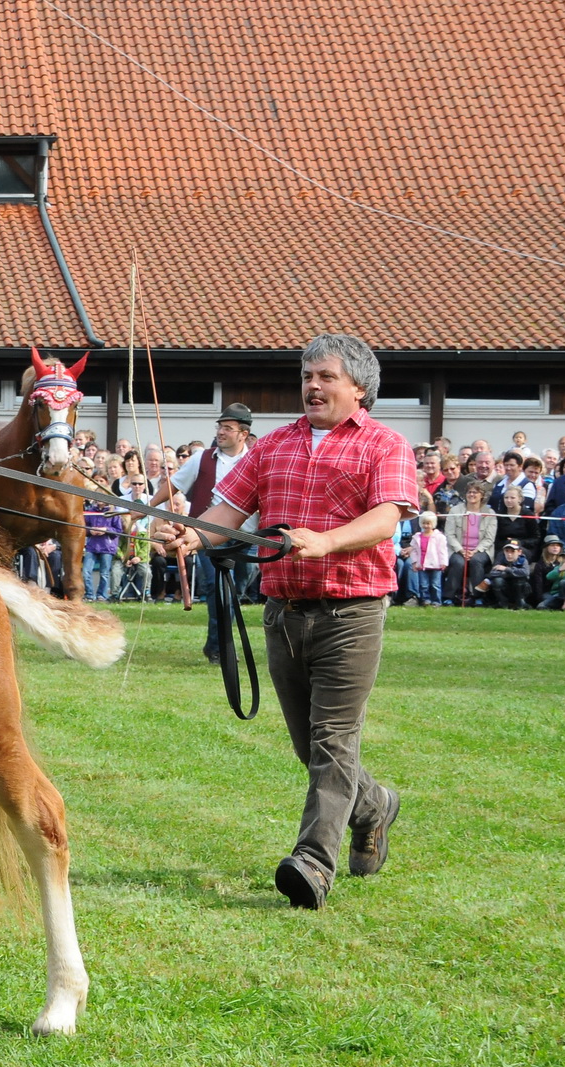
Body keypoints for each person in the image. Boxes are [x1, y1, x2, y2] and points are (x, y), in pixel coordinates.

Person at [163, 334, 410, 910]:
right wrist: (193, 535)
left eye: (325, 376)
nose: (312, 386)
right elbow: (227, 512)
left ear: (358, 386)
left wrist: (325, 542)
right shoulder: (273, 446)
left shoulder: (384, 445)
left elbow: (387, 518)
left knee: (332, 740)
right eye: (307, 375)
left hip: (351, 614)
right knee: (312, 746)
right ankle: (373, 806)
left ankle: (313, 864)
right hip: (283, 614)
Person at [148, 403, 256, 660]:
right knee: (218, 590)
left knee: (235, 591)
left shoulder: (256, 459)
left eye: (227, 428)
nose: (221, 432)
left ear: (243, 433)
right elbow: (175, 484)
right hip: (206, 535)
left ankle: (214, 644)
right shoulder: (201, 458)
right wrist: (147, 507)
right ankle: (221, 649)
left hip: (247, 537)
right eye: (219, 427)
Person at [443, 483, 496, 606]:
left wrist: (475, 551)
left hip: (481, 550)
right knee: (458, 562)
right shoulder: (455, 511)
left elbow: (489, 538)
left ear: (482, 495)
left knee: (476, 561)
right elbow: (449, 534)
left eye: (475, 492)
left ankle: (478, 597)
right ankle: (449, 597)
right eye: (469, 492)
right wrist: (461, 550)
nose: (472, 495)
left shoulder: (489, 512)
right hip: (458, 549)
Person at [80, 500, 119, 601]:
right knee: (86, 571)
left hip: (107, 546)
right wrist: (90, 530)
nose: (98, 500)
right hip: (92, 546)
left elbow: (118, 531)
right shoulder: (90, 511)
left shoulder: (113, 512)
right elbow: (83, 527)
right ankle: (89, 594)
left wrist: (106, 530)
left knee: (104, 573)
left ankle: (101, 595)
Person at [411, 512, 448, 606]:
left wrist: (443, 562)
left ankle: (436, 601)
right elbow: (414, 551)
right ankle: (425, 600)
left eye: (428, 523)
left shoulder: (439, 537)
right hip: (422, 565)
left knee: (435, 585)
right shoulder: (417, 537)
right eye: (424, 523)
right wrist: (414, 562)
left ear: (433, 524)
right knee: (424, 585)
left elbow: (442, 550)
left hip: (436, 565)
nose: (426, 526)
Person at [482, 539, 531, 609]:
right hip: (505, 587)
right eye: (507, 551)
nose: (509, 554)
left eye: (513, 551)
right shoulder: (500, 559)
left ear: (519, 552)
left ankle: (520, 603)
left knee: (520, 580)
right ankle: (503, 603)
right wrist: (510, 574)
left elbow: (525, 572)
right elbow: (492, 573)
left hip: (519, 589)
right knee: (497, 581)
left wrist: (506, 569)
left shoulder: (523, 560)